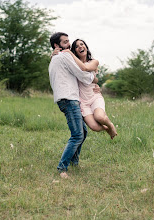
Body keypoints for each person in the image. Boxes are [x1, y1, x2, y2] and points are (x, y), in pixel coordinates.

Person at [48, 32, 99, 179]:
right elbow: (82, 73)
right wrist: (94, 78)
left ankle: (74, 162)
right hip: (69, 99)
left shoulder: (54, 59)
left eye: (68, 41)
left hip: (63, 99)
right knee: (77, 135)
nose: (68, 45)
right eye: (65, 42)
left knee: (82, 131)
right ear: (56, 45)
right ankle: (62, 167)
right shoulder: (64, 56)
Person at [56, 39, 117, 139]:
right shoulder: (72, 65)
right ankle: (106, 128)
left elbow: (85, 68)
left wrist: (71, 54)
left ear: (86, 47)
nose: (80, 47)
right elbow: (60, 64)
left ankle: (110, 125)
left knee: (100, 117)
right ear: (75, 51)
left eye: (82, 44)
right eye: (76, 46)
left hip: (94, 96)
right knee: (94, 127)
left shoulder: (94, 62)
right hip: (83, 101)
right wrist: (53, 55)